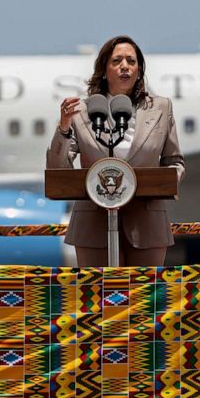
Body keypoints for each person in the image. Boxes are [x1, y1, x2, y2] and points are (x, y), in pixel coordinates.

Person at [47, 35, 184, 267]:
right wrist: (64, 126)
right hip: (93, 224)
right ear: (104, 69)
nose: (125, 67)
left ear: (139, 69)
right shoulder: (82, 111)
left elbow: (175, 162)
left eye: (131, 61)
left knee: (143, 300)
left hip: (146, 222)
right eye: (117, 61)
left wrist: (160, 184)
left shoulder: (160, 108)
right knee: (98, 299)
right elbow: (57, 169)